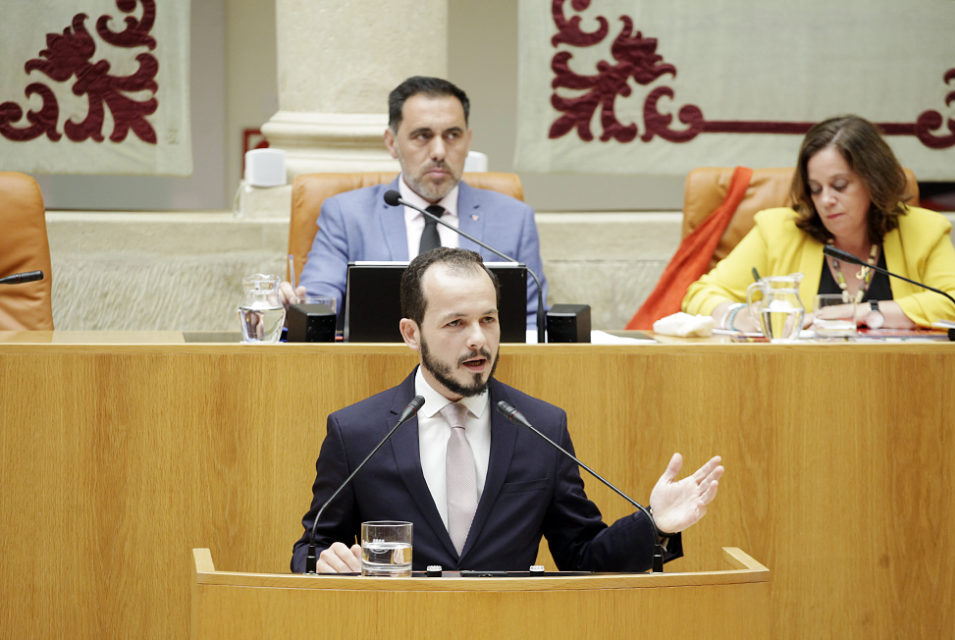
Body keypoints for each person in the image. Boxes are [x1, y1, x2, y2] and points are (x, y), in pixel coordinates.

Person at [291, 247, 723, 573]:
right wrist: (325, 561)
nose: (478, 339)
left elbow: (583, 554)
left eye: (489, 320)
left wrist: (655, 524)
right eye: (456, 323)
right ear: (411, 333)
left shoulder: (541, 426)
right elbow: (310, 548)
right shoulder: (358, 432)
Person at [279, 76, 548, 330]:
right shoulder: (347, 215)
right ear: (392, 143)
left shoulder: (513, 219)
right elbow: (320, 301)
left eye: (453, 135)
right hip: (374, 370)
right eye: (423, 136)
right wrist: (300, 308)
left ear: (468, 141)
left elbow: (533, 324)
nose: (439, 152)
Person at [683, 115, 955, 332]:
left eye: (840, 186)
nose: (826, 200)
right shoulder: (778, 231)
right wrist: (740, 316)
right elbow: (699, 295)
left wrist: (864, 311)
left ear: (874, 182)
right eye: (815, 189)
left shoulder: (923, 230)